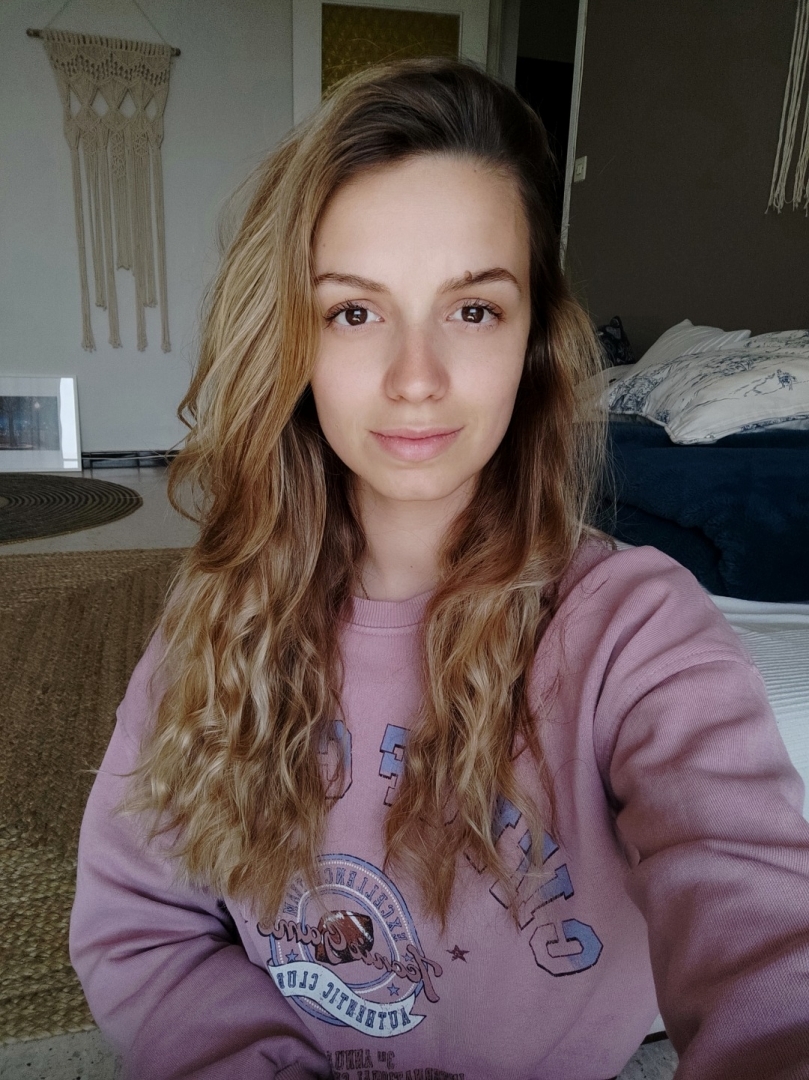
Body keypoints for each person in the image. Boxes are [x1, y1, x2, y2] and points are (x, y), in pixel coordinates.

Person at [70, 59, 809, 1080]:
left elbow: (764, 932)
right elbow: (141, 926)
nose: (414, 380)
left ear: (532, 341)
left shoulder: (637, 632)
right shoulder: (215, 613)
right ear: (290, 340)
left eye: (471, 310)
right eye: (353, 312)